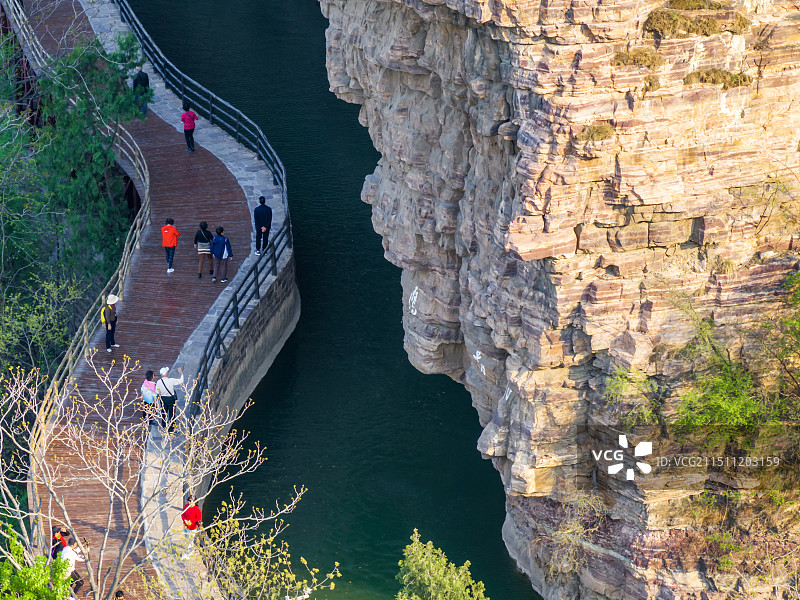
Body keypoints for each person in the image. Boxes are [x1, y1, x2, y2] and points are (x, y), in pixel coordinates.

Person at [156, 366, 184, 433]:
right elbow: (181, 381)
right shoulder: (171, 380)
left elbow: (157, 392)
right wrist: (181, 373)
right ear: (166, 374)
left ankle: (165, 429)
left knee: (164, 414)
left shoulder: (159, 382)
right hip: (171, 398)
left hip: (163, 399)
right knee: (172, 414)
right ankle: (172, 429)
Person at [181, 494, 202, 559]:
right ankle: (191, 551)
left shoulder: (196, 509)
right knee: (187, 539)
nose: (189, 502)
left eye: (191, 501)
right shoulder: (186, 506)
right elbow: (182, 514)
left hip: (192, 528)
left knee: (189, 541)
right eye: (189, 501)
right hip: (186, 526)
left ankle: (187, 553)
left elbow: (199, 518)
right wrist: (185, 520)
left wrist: (191, 521)